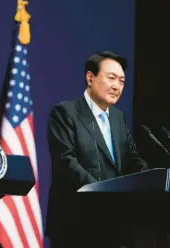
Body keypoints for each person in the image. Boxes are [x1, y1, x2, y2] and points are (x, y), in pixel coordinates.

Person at [45, 51, 148, 248]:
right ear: (90, 78)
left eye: (122, 81)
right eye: (111, 78)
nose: (117, 86)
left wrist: (153, 180)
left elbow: (131, 159)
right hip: (74, 224)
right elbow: (66, 163)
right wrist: (103, 195)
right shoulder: (65, 113)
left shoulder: (118, 118)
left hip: (112, 226)